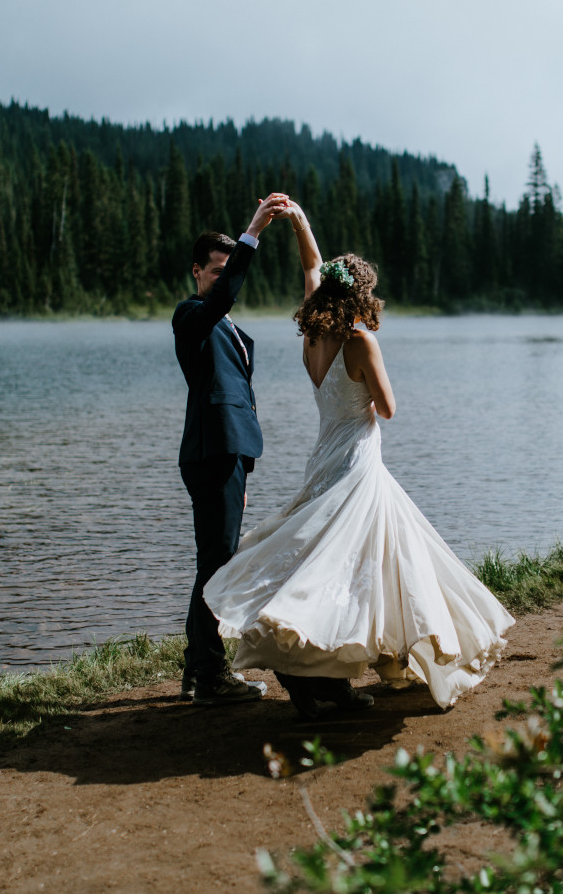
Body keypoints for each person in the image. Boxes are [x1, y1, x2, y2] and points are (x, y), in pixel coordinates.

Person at [203, 200, 515, 718]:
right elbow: (387, 409)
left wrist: (302, 225)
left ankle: (329, 674)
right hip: (357, 464)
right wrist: (368, 389)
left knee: (331, 561)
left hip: (323, 457)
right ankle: (340, 673)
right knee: (355, 566)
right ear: (362, 295)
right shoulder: (360, 342)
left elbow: (310, 270)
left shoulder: (312, 337)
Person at [174, 193, 290, 705]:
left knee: (216, 561)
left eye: (228, 270)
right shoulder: (191, 316)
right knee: (217, 563)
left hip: (230, 455)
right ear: (197, 272)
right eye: (216, 270)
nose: (223, 279)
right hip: (211, 452)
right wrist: (254, 232)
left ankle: (200, 669)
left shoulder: (231, 329)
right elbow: (223, 297)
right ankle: (207, 676)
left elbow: (239, 395)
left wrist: (246, 462)